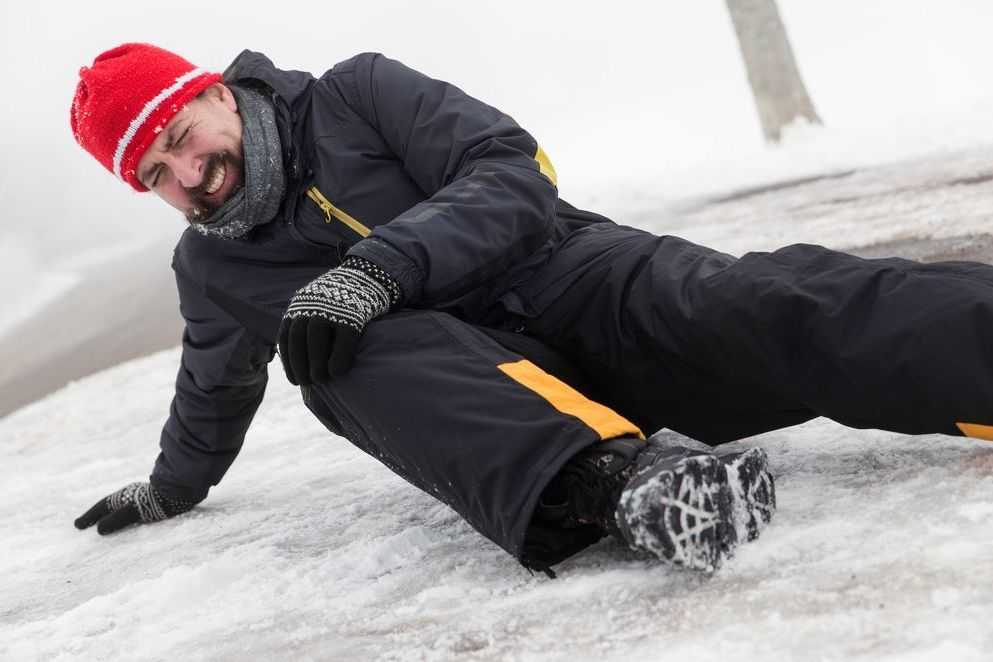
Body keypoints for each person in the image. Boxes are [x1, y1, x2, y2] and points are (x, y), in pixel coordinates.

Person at [69, 43, 993, 577]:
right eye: (156, 175)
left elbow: (511, 171)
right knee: (330, 353)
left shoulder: (356, 93)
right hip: (492, 410)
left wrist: (382, 265)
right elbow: (212, 385)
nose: (189, 176)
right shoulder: (212, 269)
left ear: (213, 93)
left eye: (182, 138)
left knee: (776, 303)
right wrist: (170, 487)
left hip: (581, 280)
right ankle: (627, 491)